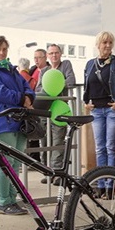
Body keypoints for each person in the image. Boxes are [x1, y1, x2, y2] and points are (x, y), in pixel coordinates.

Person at [0, 35, 35, 215]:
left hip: (18, 119)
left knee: (15, 163)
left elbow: (27, 85)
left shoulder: (11, 68)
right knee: (6, 163)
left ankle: (11, 199)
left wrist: (29, 96)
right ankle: (4, 201)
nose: (1, 52)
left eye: (4, 49)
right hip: (3, 120)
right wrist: (22, 98)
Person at [83, 31, 115, 198]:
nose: (108, 45)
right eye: (104, 43)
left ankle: (111, 187)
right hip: (96, 110)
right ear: (98, 45)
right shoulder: (89, 64)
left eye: (110, 42)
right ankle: (101, 186)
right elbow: (86, 89)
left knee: (111, 147)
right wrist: (86, 103)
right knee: (99, 148)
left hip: (112, 110)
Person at [37, 44, 77, 184]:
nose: (54, 55)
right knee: (45, 141)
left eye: (56, 53)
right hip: (45, 110)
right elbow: (39, 88)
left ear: (60, 54)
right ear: (47, 56)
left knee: (58, 140)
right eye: (51, 53)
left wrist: (55, 85)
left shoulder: (65, 65)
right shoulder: (44, 71)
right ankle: (46, 171)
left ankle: (57, 173)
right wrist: (50, 88)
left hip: (59, 109)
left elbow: (71, 81)